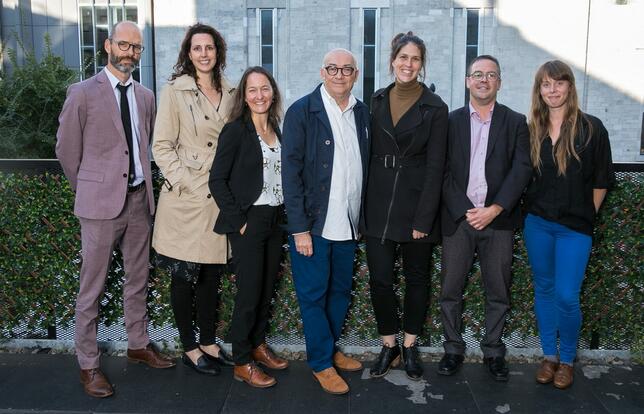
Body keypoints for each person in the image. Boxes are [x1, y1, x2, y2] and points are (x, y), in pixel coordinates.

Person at [56, 21, 175, 398]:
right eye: (124, 45)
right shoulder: (82, 93)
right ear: (108, 46)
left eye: (136, 48)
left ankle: (137, 345)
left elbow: (143, 145)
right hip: (99, 207)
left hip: (140, 202)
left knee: (137, 279)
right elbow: (66, 149)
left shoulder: (146, 96)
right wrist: (88, 190)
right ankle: (88, 364)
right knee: (91, 288)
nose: (130, 53)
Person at [438, 55, 532, 382]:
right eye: (477, 74)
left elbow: (521, 169)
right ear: (468, 81)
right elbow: (442, 171)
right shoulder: (449, 122)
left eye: (491, 75)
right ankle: (453, 348)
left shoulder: (516, 122)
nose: (483, 80)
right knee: (450, 290)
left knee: (498, 291)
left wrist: (495, 209)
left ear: (499, 83)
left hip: (499, 221)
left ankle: (493, 351)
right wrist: (467, 210)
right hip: (459, 220)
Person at [281, 48, 370, 395]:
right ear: (322, 72)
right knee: (313, 295)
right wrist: (299, 228)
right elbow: (291, 174)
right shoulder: (302, 111)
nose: (339, 75)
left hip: (348, 222)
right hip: (314, 225)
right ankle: (320, 362)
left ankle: (328, 348)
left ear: (356, 75)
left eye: (346, 69)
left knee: (340, 291)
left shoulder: (362, 112)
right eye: (332, 68)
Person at [524, 60, 614, 389]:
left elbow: (602, 179)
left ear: (570, 87)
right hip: (538, 224)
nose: (553, 90)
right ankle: (549, 356)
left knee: (566, 295)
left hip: (575, 228)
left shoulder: (592, 128)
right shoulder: (531, 129)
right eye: (546, 84)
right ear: (539, 90)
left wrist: (586, 212)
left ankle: (567, 360)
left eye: (559, 83)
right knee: (544, 290)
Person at [363, 32, 447, 380]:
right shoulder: (376, 100)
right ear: (393, 60)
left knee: (416, 280)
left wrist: (424, 218)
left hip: (416, 207)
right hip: (378, 204)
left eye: (415, 59)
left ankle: (410, 345)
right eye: (403, 57)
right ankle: (389, 344)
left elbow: (437, 167)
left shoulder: (435, 107)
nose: (408, 64)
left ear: (421, 64)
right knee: (380, 280)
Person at [152, 23, 235, 376]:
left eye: (209, 47)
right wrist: (186, 182)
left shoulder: (232, 91)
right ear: (189, 53)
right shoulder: (175, 91)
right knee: (184, 277)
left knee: (211, 276)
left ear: (218, 52)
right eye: (197, 48)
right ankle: (189, 346)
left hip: (219, 196)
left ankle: (209, 341)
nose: (204, 54)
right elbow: (161, 146)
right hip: (186, 198)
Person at [209, 66, 288, 388]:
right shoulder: (235, 131)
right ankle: (242, 361)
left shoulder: (277, 128)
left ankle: (257, 344)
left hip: (275, 219)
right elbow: (217, 180)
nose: (259, 95)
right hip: (249, 221)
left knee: (266, 289)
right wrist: (240, 222)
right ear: (244, 96)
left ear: (273, 93)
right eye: (252, 90)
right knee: (249, 293)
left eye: (265, 88)